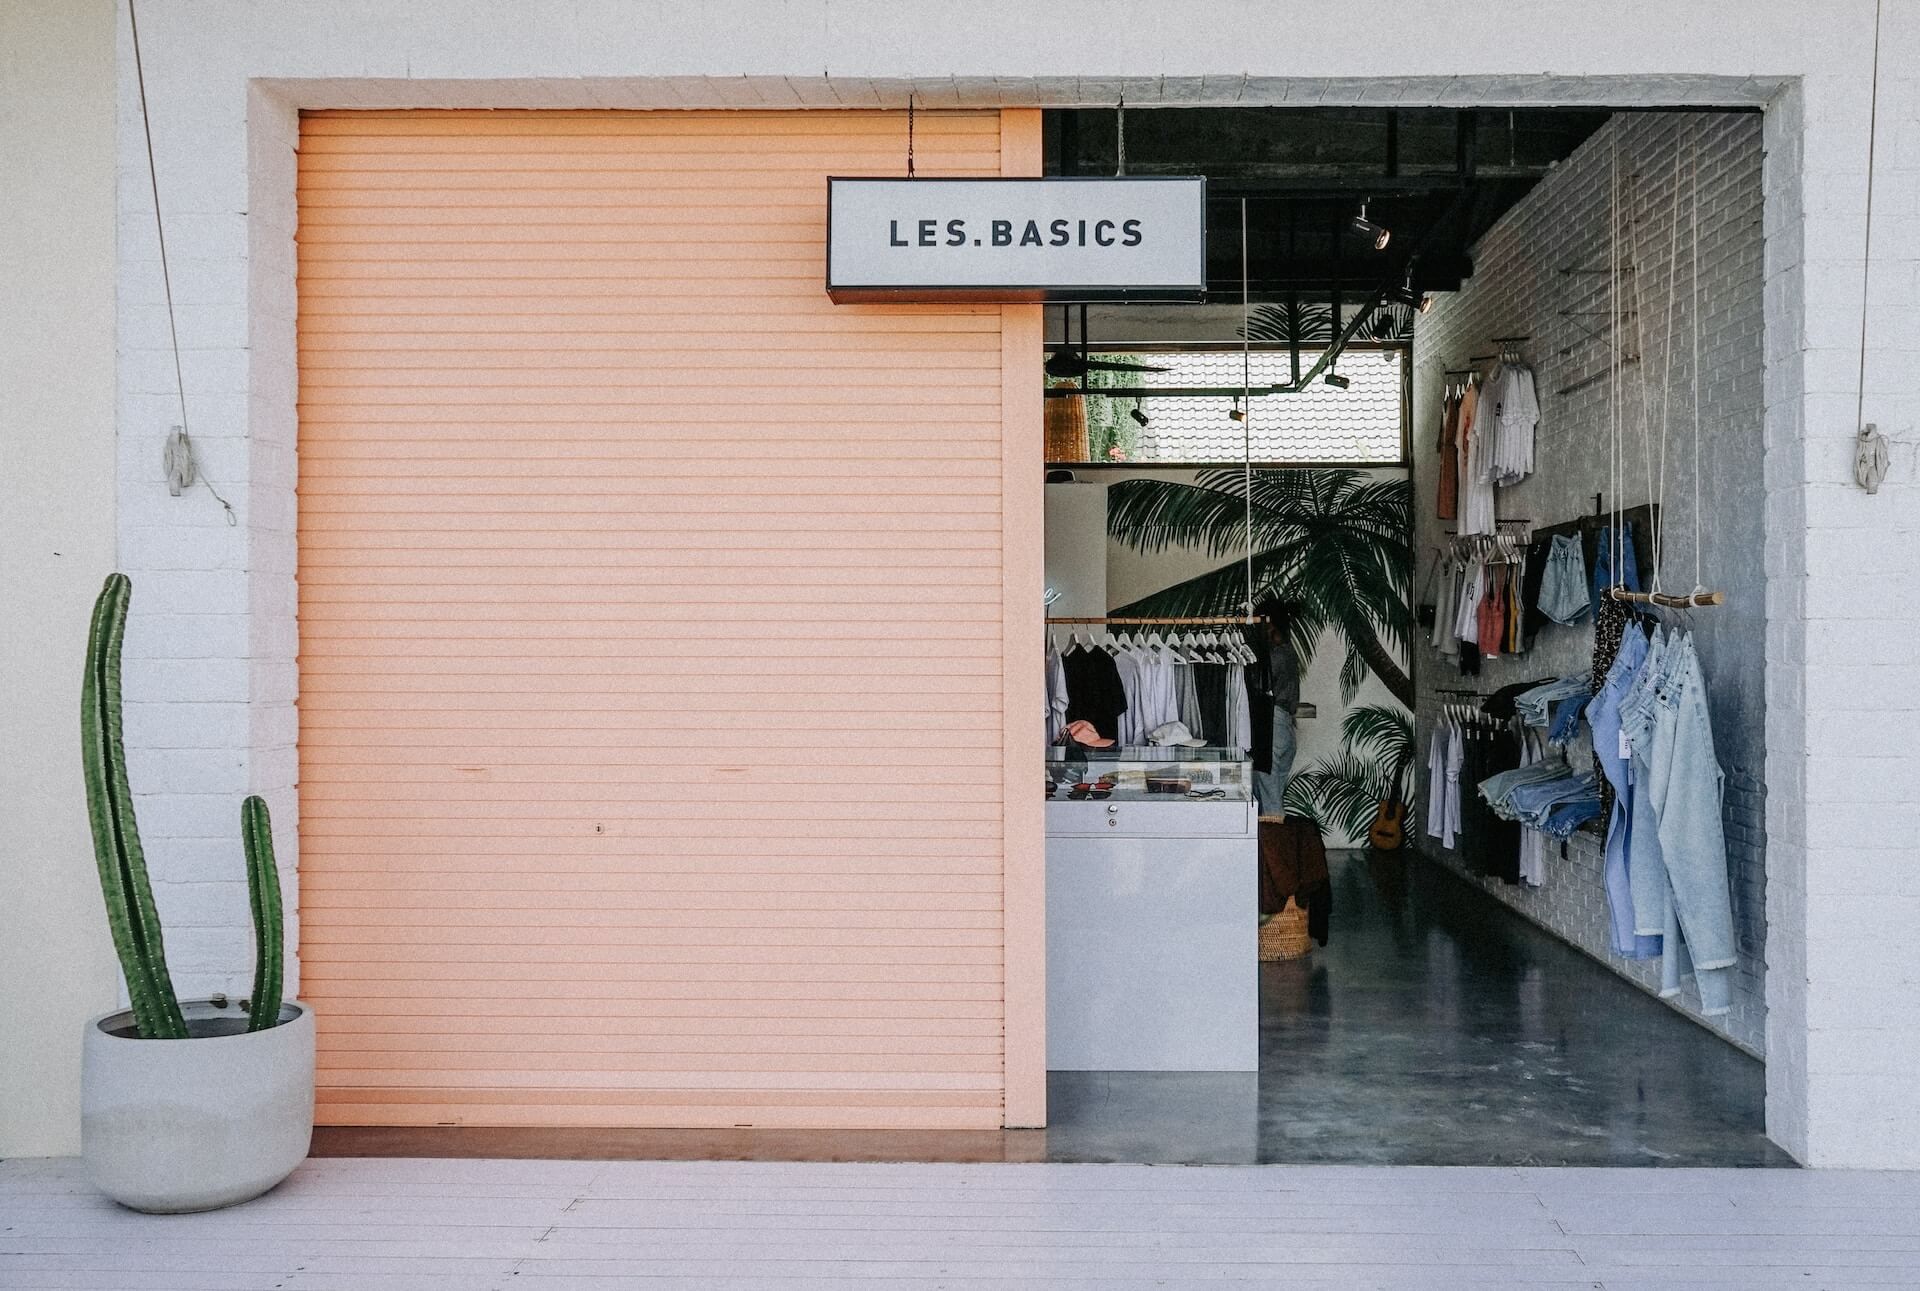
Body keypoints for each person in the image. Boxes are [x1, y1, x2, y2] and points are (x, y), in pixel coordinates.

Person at [1248, 598, 1301, 819]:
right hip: (1285, 725)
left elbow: (1259, 689)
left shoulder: (1273, 658)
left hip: (1272, 724)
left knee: (1268, 797)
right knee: (1273, 793)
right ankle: (1274, 847)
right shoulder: (1288, 652)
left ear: (1269, 624)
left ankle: (1273, 850)